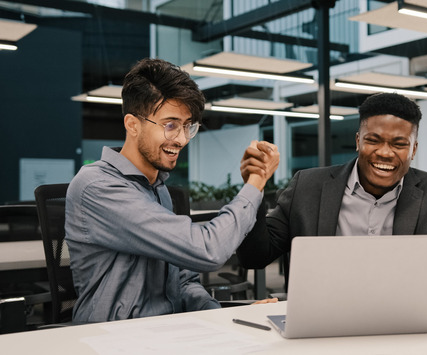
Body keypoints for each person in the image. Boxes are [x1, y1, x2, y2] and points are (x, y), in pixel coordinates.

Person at [65, 58, 279, 323]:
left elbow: (183, 280)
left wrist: (223, 319)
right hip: (113, 339)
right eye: (170, 125)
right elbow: (207, 250)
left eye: (187, 126)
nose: (180, 139)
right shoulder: (97, 186)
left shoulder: (157, 189)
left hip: (167, 332)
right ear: (132, 124)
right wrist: (256, 183)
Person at [237, 92, 427, 289]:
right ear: (358, 141)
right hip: (321, 316)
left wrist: (371, 270)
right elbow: (254, 257)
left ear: (413, 150)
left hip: (400, 316)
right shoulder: (307, 186)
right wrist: (253, 188)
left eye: (399, 144)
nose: (385, 153)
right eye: (373, 140)